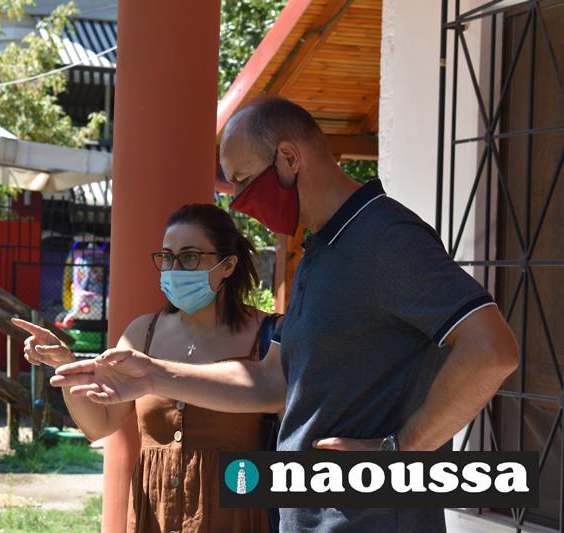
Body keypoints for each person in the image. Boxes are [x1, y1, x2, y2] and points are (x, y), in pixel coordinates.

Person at [50, 96, 519, 532]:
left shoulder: (386, 236)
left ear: (289, 159)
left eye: (242, 180)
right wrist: (154, 376)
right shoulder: (321, 248)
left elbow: (492, 350)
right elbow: (272, 381)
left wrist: (401, 449)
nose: (236, 200)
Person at [13, 203, 280, 533]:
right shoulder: (143, 333)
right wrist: (67, 367)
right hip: (155, 514)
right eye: (167, 257)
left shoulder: (267, 335)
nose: (175, 269)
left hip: (236, 515)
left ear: (227, 265)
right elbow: (99, 424)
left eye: (190, 256)